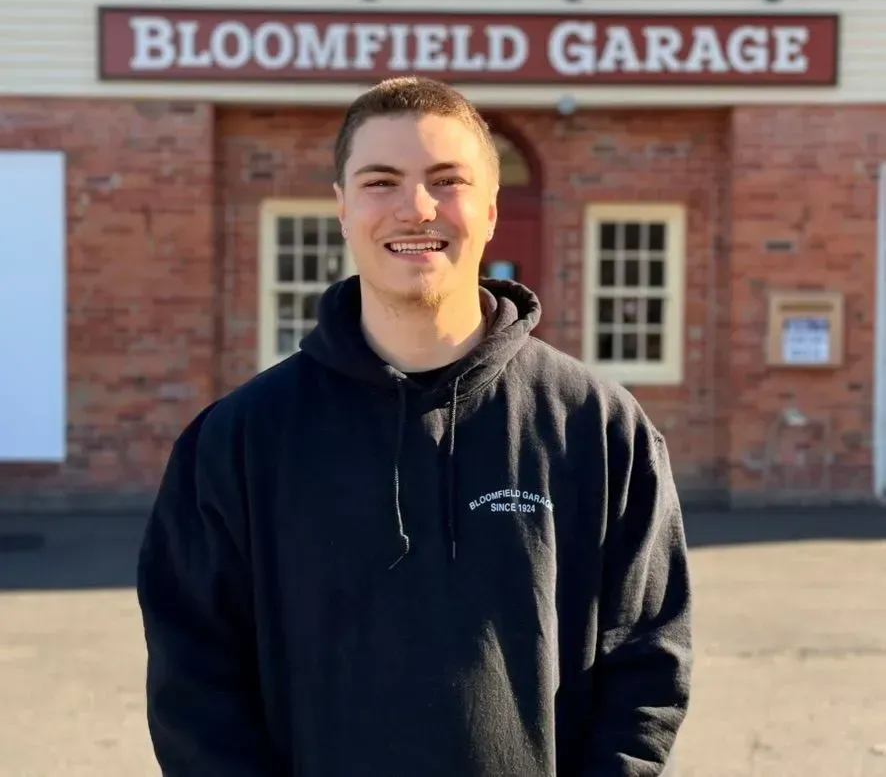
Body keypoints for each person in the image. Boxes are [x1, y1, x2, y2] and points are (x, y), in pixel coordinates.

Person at [136, 76, 693, 776]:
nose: (417, 208)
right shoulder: (238, 441)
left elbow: (646, 660)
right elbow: (194, 686)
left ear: (489, 210)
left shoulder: (599, 428)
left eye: (447, 179)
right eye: (381, 181)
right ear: (342, 209)